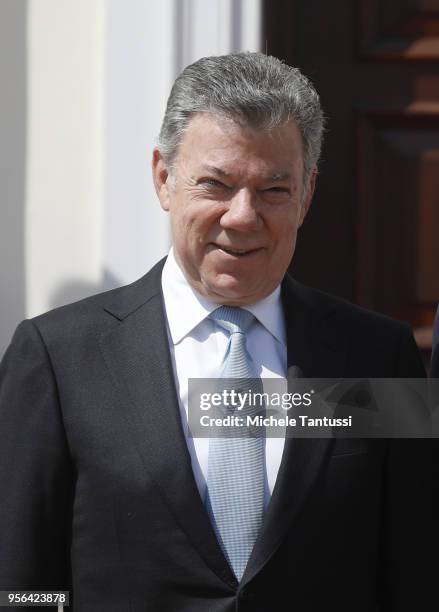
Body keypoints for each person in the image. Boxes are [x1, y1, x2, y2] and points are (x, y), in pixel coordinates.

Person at [0, 52, 434, 611]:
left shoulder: (377, 355)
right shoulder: (59, 358)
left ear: (307, 194)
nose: (242, 216)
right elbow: (21, 584)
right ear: (164, 178)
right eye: (217, 185)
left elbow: (415, 576)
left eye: (274, 190)